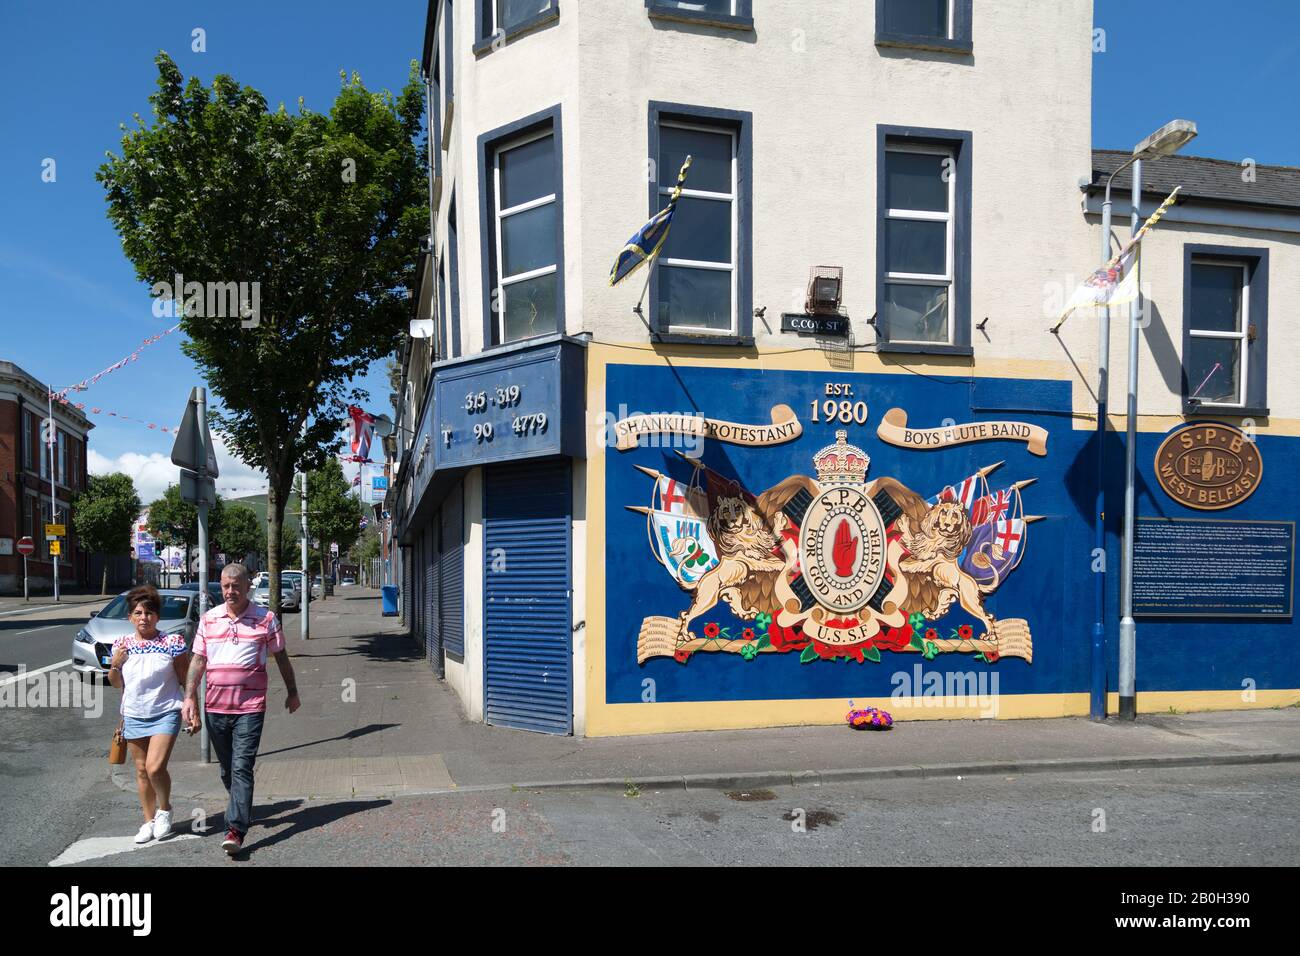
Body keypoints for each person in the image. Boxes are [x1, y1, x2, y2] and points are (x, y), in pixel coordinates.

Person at [182, 563, 300, 856]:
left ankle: (235, 829)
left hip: (250, 707)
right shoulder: (209, 619)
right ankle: (242, 804)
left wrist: (292, 692)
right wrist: (189, 698)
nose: (230, 591)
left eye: (236, 585)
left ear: (249, 586)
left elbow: (281, 657)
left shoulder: (266, 619)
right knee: (227, 770)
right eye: (225, 586)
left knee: (241, 767)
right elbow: (197, 661)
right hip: (215, 707)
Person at [107, 584, 189, 844]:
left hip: (166, 711)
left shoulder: (172, 642)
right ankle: (147, 820)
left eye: (150, 613)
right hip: (133, 713)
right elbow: (116, 683)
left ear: (158, 616)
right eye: (139, 613)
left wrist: (192, 706)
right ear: (130, 617)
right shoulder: (121, 645)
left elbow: (185, 676)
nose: (145, 618)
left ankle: (164, 810)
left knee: (155, 768)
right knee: (141, 770)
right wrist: (115, 665)